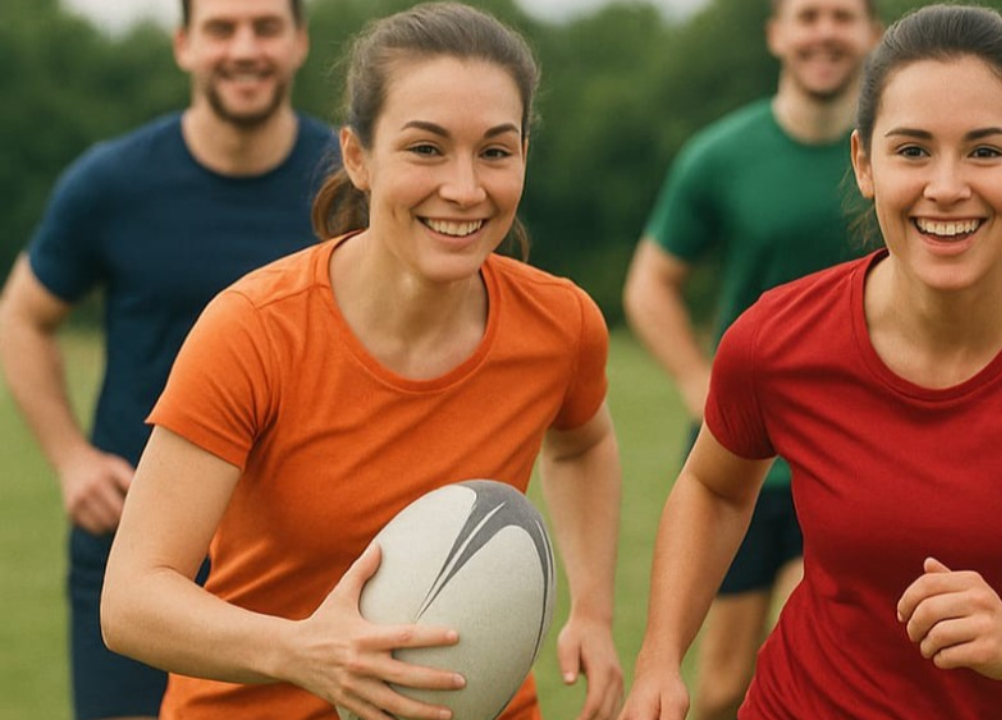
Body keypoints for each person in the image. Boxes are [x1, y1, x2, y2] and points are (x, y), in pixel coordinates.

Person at [620, 5, 1002, 719]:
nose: (946, 186)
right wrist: (660, 659)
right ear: (864, 163)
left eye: (984, 152)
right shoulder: (776, 336)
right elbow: (716, 490)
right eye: (912, 150)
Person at [97, 4, 624, 720]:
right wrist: (305, 652)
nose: (466, 189)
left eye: (495, 151)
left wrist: (591, 607)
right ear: (358, 156)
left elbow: (584, 441)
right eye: (426, 149)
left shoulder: (561, 323)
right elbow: (131, 600)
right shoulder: (253, 330)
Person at [0, 1, 333, 718]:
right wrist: (70, 458)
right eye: (221, 29)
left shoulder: (350, 184)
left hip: (304, 567)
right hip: (134, 559)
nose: (245, 48)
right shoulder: (110, 183)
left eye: (266, 27)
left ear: (300, 42)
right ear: (185, 45)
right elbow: (21, 316)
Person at [621, 1, 881, 716]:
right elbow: (649, 285)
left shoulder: (902, 155)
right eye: (807, 15)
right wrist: (694, 380)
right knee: (724, 687)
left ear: (874, 34)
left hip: (860, 461)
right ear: (777, 34)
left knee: (813, 672)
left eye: (843, 15)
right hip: (743, 461)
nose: (824, 32)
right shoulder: (720, 155)